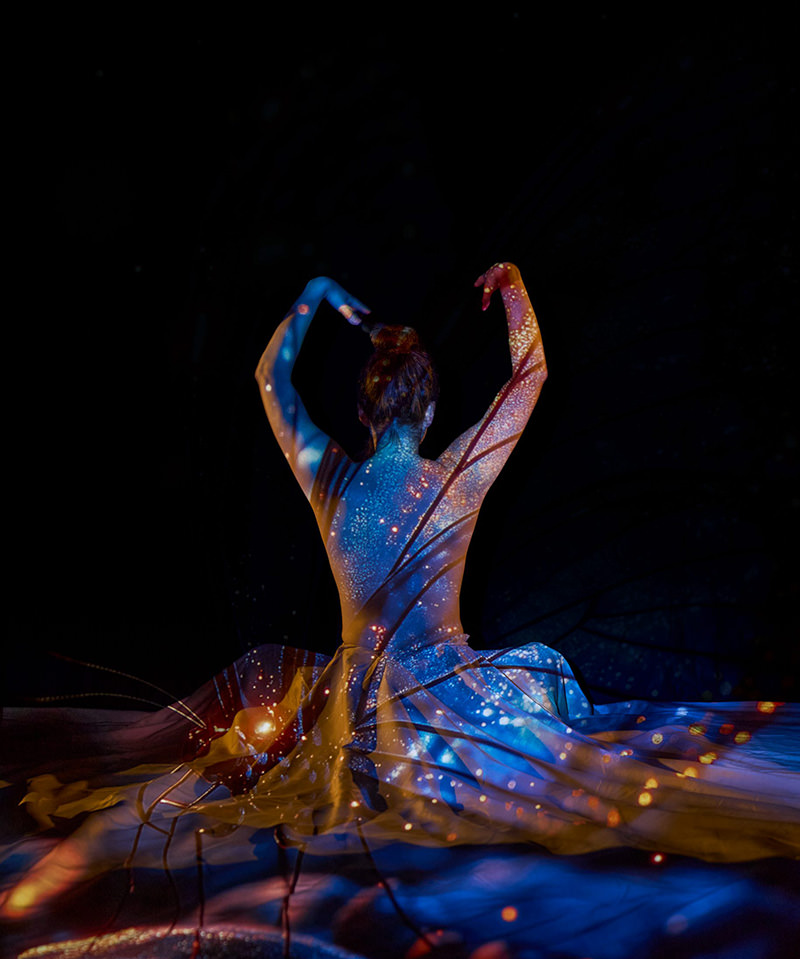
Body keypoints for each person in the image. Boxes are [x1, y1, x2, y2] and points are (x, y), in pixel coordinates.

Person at [2, 263, 799, 922]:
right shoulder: (455, 476)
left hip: (361, 710)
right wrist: (514, 287)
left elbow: (267, 375)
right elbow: (533, 371)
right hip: (451, 697)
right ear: (430, 406)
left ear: (361, 407)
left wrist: (315, 295)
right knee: (549, 696)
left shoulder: (331, 479)